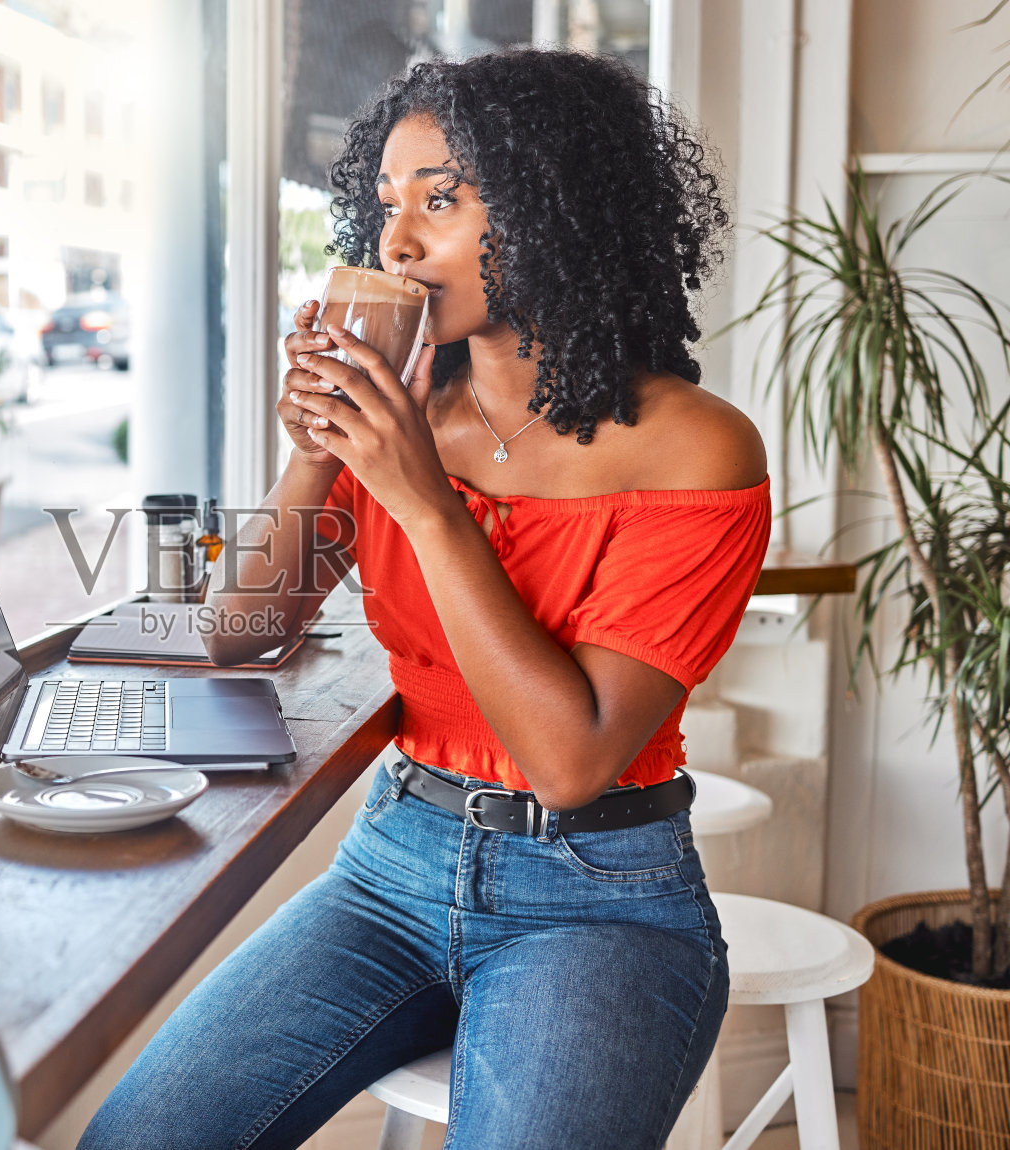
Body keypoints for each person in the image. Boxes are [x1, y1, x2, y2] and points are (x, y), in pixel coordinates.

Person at [78, 49, 768, 1150]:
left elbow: (570, 758)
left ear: (555, 205)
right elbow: (238, 636)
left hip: (600, 900)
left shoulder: (696, 448)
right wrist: (313, 455)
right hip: (393, 861)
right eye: (385, 206)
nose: (394, 243)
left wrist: (423, 501)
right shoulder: (407, 412)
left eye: (439, 202)